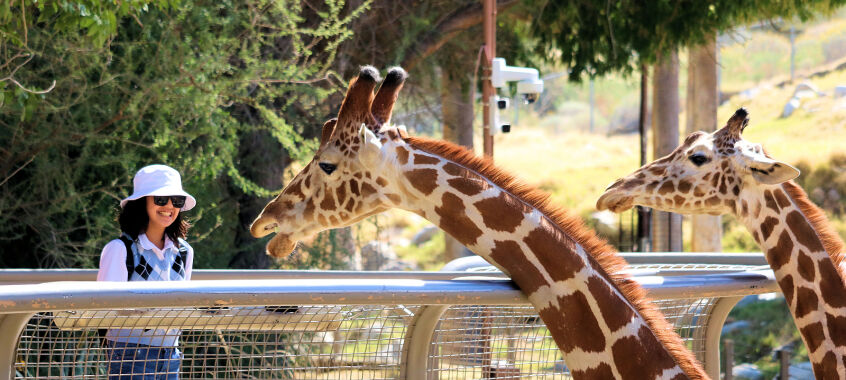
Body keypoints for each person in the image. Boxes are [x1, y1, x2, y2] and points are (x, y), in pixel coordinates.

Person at [97, 164, 196, 380]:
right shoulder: (119, 249)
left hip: (171, 354)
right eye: (161, 199)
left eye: (176, 200)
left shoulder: (185, 252)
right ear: (142, 202)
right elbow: (104, 312)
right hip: (129, 354)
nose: (169, 206)